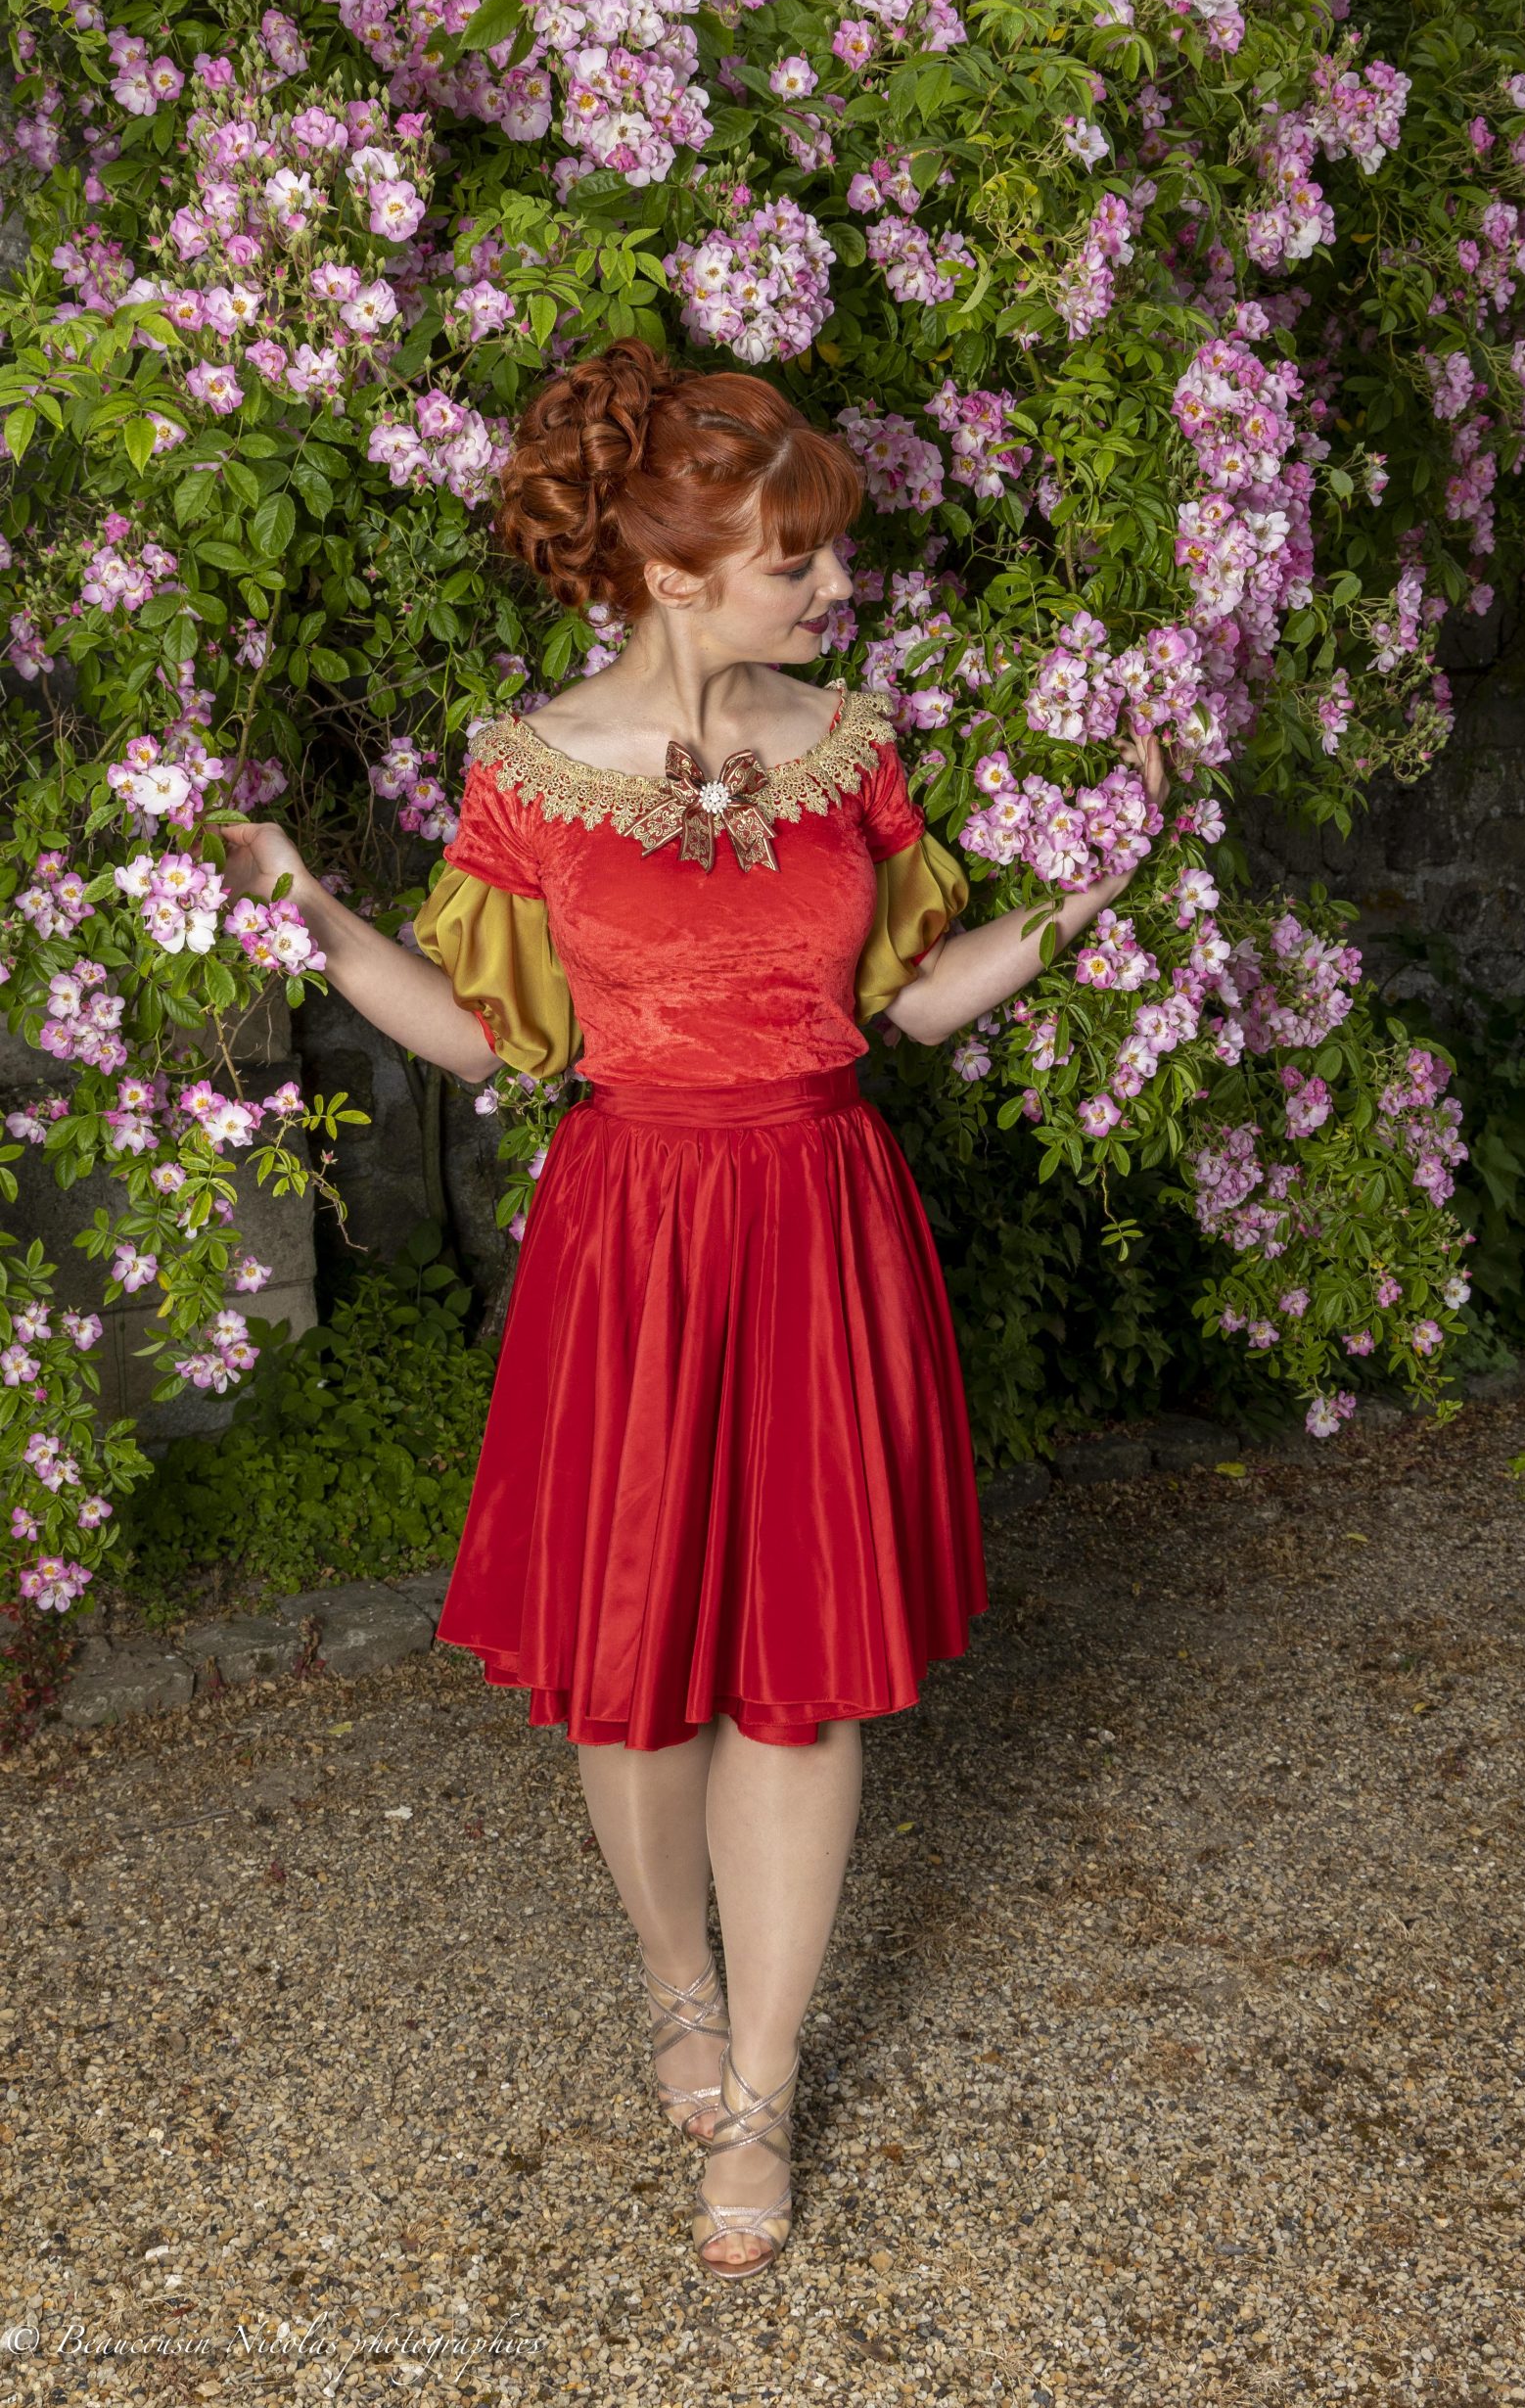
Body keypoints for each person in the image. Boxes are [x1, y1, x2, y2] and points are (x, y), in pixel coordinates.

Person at [220, 336, 1169, 2280]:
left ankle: (759, 2081)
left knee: (795, 1669)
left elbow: (914, 999)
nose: (835, 588)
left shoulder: (849, 747)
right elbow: (478, 1036)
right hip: (632, 1236)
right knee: (637, 1662)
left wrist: (1085, 894)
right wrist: (308, 904)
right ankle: (675, 1977)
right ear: (669, 572)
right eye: (794, 560)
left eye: (826, 555)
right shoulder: (525, 770)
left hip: (818, 1218)